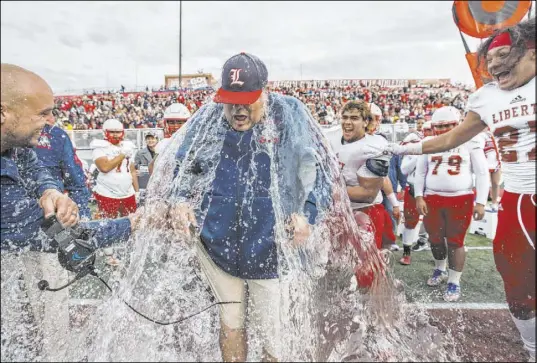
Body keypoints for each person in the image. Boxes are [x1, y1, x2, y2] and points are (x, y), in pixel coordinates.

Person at [148, 52, 332, 362]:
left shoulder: (289, 113)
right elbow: (184, 164)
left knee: (274, 338)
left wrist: (307, 213)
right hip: (218, 244)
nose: (238, 110)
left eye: (247, 100)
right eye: (230, 101)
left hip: (272, 246)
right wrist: (179, 201)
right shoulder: (208, 117)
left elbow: (319, 170)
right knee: (230, 325)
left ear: (265, 90)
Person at [381, 19, 535, 360]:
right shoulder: (487, 97)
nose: (494, 65)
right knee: (516, 283)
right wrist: (403, 149)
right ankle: (532, 347)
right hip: (518, 199)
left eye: (504, 55)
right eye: (490, 59)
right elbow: (451, 139)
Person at [1, 63, 139, 362]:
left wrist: (49, 190)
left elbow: (34, 167)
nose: (49, 121)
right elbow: (45, 233)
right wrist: (134, 224)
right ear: (3, 113)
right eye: (41, 113)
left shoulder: (13, 144)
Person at [413, 106, 489, 301]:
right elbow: (420, 173)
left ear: (458, 125)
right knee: (435, 239)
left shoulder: (470, 141)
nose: (445, 129)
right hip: (432, 198)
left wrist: (481, 201)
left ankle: (454, 281)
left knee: (456, 242)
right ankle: (440, 269)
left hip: (460, 198)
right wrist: (418, 196)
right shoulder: (428, 142)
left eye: (449, 125)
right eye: (440, 126)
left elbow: (482, 172)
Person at [324, 101, 392, 251]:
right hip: (337, 211)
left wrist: (326, 189)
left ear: (365, 122)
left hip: (365, 210)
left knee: (365, 265)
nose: (348, 122)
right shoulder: (330, 137)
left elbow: (367, 194)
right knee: (334, 263)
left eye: (354, 118)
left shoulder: (375, 146)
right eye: (345, 117)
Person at [90, 118, 139, 266]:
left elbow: (131, 170)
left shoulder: (127, 146)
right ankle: (109, 255)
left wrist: (136, 191)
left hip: (127, 192)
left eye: (118, 132)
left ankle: (132, 250)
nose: (116, 135)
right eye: (112, 132)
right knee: (107, 223)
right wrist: (122, 154)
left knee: (133, 222)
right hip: (107, 192)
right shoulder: (99, 148)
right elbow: (105, 167)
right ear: (105, 133)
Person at [34, 112, 91, 219]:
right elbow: (76, 182)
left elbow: (76, 182)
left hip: (49, 212)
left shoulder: (57, 135)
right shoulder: (57, 135)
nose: (51, 118)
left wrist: (82, 216)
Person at [481, 129, 502, 211]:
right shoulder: (480, 132)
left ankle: (494, 203)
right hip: (485, 161)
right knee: (485, 184)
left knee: (496, 183)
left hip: (496, 161)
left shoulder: (496, 130)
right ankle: (483, 203)